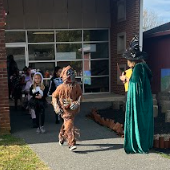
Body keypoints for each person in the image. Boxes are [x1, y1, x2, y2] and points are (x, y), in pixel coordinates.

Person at [123, 35, 153, 154]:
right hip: (146, 99)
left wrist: (126, 79)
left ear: (132, 60)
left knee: (138, 120)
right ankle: (145, 142)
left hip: (139, 101)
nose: (127, 61)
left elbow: (134, 87)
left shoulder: (137, 69)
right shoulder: (144, 66)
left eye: (128, 59)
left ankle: (137, 143)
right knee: (144, 120)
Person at [52, 65, 82, 151]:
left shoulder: (76, 86)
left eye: (72, 73)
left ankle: (61, 135)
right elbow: (54, 96)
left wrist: (77, 103)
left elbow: (80, 95)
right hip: (65, 110)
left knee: (68, 123)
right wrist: (56, 106)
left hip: (73, 109)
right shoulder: (60, 87)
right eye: (69, 74)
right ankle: (71, 143)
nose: (71, 76)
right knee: (69, 124)